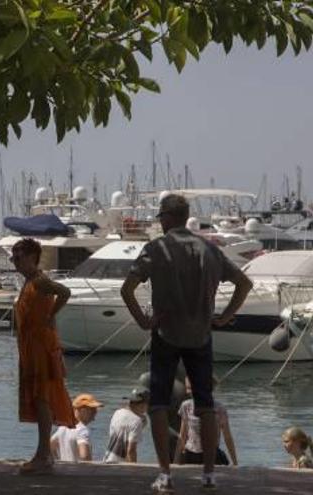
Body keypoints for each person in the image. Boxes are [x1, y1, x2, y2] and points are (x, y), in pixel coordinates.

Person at [121, 194, 252, 492]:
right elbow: (245, 284)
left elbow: (127, 289)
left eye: (161, 218)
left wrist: (144, 321)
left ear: (167, 218)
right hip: (201, 335)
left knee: (157, 405)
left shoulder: (156, 249)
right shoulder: (209, 249)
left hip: (166, 335)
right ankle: (208, 475)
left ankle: (165, 474)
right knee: (205, 405)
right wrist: (225, 316)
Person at [11, 238, 75, 474]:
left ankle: (43, 455)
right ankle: (43, 454)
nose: (15, 262)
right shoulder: (29, 282)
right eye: (13, 258)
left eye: (18, 257)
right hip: (31, 346)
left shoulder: (39, 281)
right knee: (39, 399)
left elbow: (65, 292)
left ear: (31, 257)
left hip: (40, 347)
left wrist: (51, 314)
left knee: (42, 399)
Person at [174, 377, 238, 467]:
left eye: (191, 388)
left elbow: (227, 437)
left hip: (212, 454)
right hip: (191, 454)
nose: (188, 392)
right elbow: (182, 435)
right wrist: (176, 462)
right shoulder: (186, 406)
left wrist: (235, 463)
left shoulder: (219, 408)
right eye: (188, 388)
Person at [50, 394, 103, 463]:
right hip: (80, 472)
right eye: (93, 411)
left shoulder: (63, 427)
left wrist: (57, 461)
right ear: (82, 410)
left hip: (65, 471)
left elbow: (49, 448)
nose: (94, 417)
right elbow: (84, 456)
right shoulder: (82, 430)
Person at [103, 389, 150, 464]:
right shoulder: (136, 421)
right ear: (142, 405)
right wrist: (134, 470)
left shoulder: (117, 413)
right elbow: (131, 450)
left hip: (107, 460)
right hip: (121, 466)